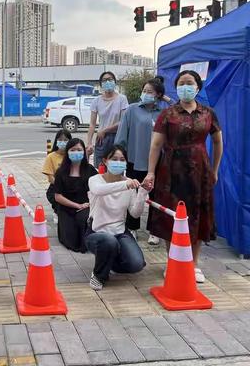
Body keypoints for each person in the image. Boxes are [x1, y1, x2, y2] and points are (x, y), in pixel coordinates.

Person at [143, 70, 223, 284]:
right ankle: (173, 263)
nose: (185, 86)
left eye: (190, 83)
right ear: (176, 87)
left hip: (200, 171)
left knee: (197, 216)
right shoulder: (167, 114)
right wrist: (151, 172)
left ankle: (194, 265)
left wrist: (214, 169)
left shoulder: (208, 114)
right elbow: (156, 145)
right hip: (171, 171)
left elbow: (217, 142)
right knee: (172, 217)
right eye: (181, 83)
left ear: (197, 87)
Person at [85, 145, 150, 290]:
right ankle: (98, 275)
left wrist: (142, 192)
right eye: (114, 159)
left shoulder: (129, 184)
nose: (118, 162)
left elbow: (135, 213)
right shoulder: (95, 180)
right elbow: (99, 190)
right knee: (109, 241)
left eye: (122, 160)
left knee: (137, 264)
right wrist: (125, 184)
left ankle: (108, 260)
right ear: (105, 161)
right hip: (97, 232)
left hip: (120, 232)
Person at [115, 78, 171, 245]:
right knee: (134, 195)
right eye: (144, 91)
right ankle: (132, 227)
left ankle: (154, 231)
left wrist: (166, 99)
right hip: (135, 159)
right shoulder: (132, 110)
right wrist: (118, 156)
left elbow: (180, 107)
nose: (145, 94)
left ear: (158, 95)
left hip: (158, 162)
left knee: (156, 197)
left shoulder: (164, 112)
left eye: (150, 92)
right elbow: (121, 135)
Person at [54, 138, 98, 253]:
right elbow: (57, 196)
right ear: (67, 152)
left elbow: (98, 190)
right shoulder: (61, 172)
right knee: (71, 240)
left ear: (84, 152)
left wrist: (90, 204)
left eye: (79, 150)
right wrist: (77, 205)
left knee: (84, 220)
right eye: (73, 150)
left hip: (86, 206)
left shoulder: (90, 170)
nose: (76, 152)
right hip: (67, 208)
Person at [87, 71, 128, 169]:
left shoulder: (122, 99)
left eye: (110, 79)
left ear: (115, 82)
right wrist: (89, 143)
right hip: (102, 139)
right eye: (105, 80)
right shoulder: (96, 101)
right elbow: (92, 124)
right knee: (100, 167)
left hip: (118, 137)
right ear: (101, 84)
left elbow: (123, 121)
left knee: (117, 168)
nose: (108, 82)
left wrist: (105, 130)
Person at [42, 129, 72, 213]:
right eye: (60, 140)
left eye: (65, 140)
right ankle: (57, 211)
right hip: (56, 187)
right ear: (56, 141)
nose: (63, 142)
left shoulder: (72, 155)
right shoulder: (51, 156)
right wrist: (62, 186)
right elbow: (50, 177)